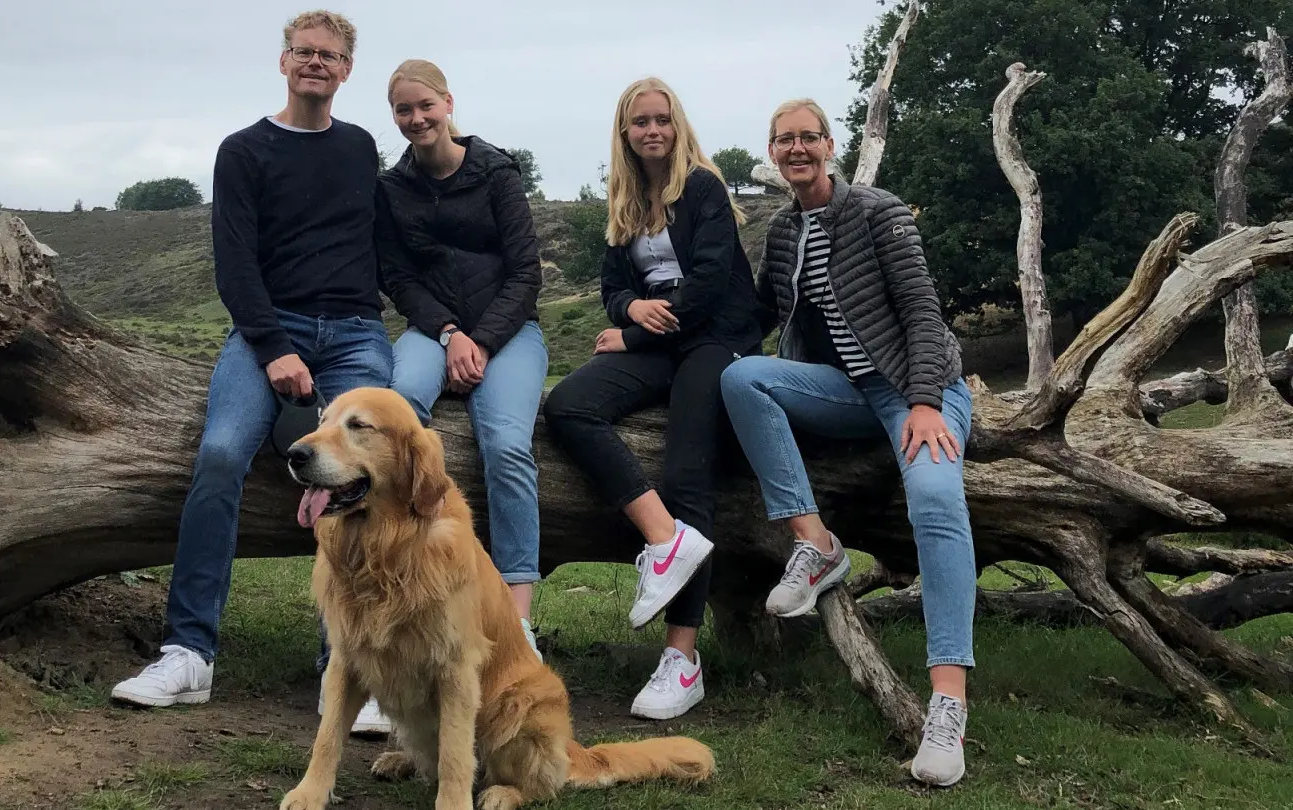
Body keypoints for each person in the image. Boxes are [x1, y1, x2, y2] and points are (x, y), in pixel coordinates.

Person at [111, 10, 395, 735]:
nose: (315, 63)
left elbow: (384, 246)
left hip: (355, 333)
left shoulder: (360, 147)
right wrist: (273, 349)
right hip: (270, 328)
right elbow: (234, 264)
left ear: (346, 70)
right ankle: (188, 653)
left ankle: (350, 671)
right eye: (304, 52)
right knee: (219, 453)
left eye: (329, 55)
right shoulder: (243, 151)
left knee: (362, 476)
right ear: (283, 61)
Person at [718, 98, 976, 787]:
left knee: (935, 499)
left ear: (830, 145)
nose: (797, 148)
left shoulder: (877, 211)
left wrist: (925, 402)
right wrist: (661, 336)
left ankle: (948, 704)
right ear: (772, 153)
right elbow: (760, 314)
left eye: (809, 137)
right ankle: (817, 544)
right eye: (784, 140)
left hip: (917, 387)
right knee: (743, 378)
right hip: (844, 391)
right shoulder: (784, 230)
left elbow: (922, 310)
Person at [541, 77, 763, 721]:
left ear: (677, 123)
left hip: (714, 338)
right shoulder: (625, 198)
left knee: (686, 471)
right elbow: (612, 286)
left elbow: (712, 283)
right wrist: (630, 309)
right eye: (640, 122)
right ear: (625, 132)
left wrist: (637, 330)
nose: (653, 130)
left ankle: (681, 659)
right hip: (659, 337)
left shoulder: (703, 187)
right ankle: (665, 539)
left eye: (662, 119)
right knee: (569, 405)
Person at [376, 59, 548, 658]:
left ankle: (518, 616)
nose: (416, 118)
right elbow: (398, 277)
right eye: (403, 109)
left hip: (509, 331)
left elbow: (526, 273)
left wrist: (483, 340)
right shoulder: (392, 188)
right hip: (433, 330)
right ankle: (400, 579)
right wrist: (450, 333)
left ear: (448, 104)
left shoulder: (497, 172)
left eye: (426, 105)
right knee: (397, 414)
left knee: (506, 445)